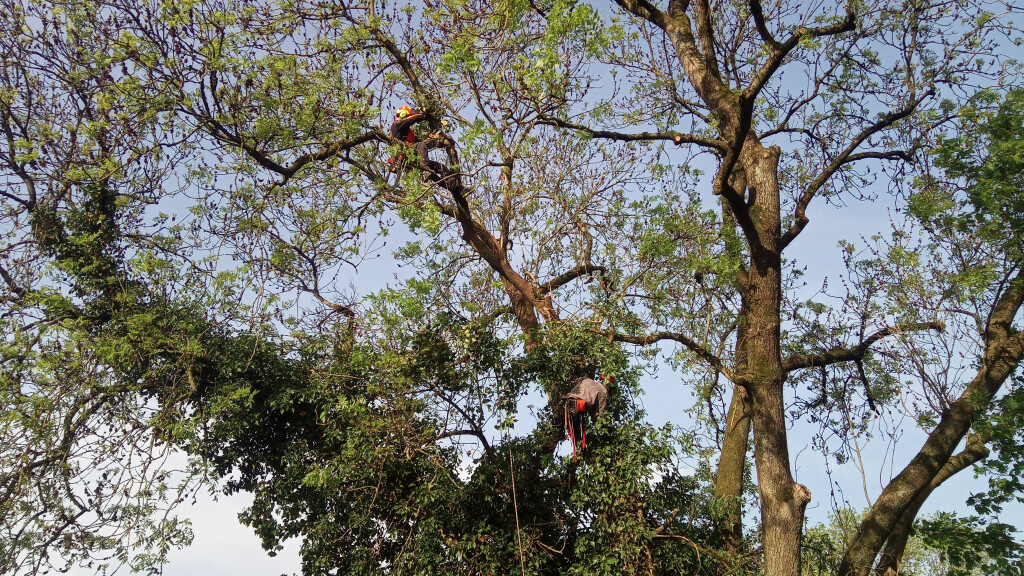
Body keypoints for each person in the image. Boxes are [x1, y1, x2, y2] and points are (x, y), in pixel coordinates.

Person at [562, 375, 609, 458]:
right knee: (580, 444)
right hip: (576, 410)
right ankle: (580, 454)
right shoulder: (603, 393)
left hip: (565, 403)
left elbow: (573, 381)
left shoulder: (587, 379)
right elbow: (599, 418)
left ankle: (579, 454)